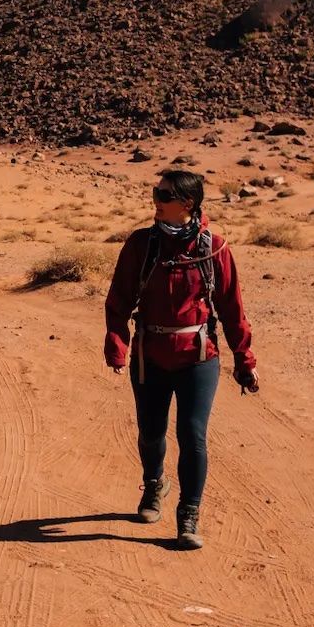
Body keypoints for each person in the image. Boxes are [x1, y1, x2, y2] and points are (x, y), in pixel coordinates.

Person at [102, 169, 258, 551]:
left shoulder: (214, 249)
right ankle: (154, 483)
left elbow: (232, 307)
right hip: (150, 356)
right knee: (151, 432)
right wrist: (117, 344)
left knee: (192, 435)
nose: (155, 198)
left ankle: (188, 513)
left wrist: (244, 357)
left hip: (198, 357)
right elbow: (118, 300)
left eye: (163, 194)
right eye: (156, 191)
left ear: (187, 204)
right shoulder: (141, 245)